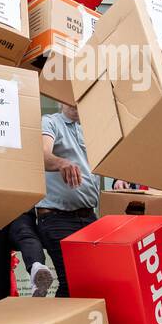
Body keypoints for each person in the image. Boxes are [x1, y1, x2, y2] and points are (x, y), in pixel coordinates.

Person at [36, 101, 100, 297]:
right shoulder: (50, 122)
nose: (74, 102)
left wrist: (118, 180)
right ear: (58, 100)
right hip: (58, 218)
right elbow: (42, 154)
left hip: (89, 218)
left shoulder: (92, 129)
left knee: (92, 281)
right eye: (68, 97)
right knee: (71, 281)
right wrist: (61, 162)